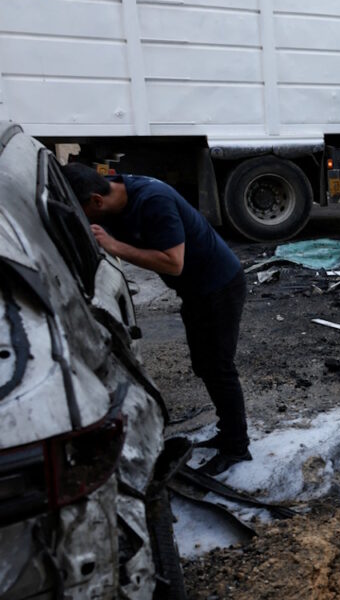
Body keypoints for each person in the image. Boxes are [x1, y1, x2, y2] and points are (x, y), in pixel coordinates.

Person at [63, 164, 252, 476]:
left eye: (84, 211)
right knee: (206, 365)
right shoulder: (111, 192)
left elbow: (173, 263)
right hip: (195, 291)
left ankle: (237, 446)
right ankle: (228, 432)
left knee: (219, 368)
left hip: (219, 287)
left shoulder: (153, 201)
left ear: (96, 200)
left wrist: (112, 245)